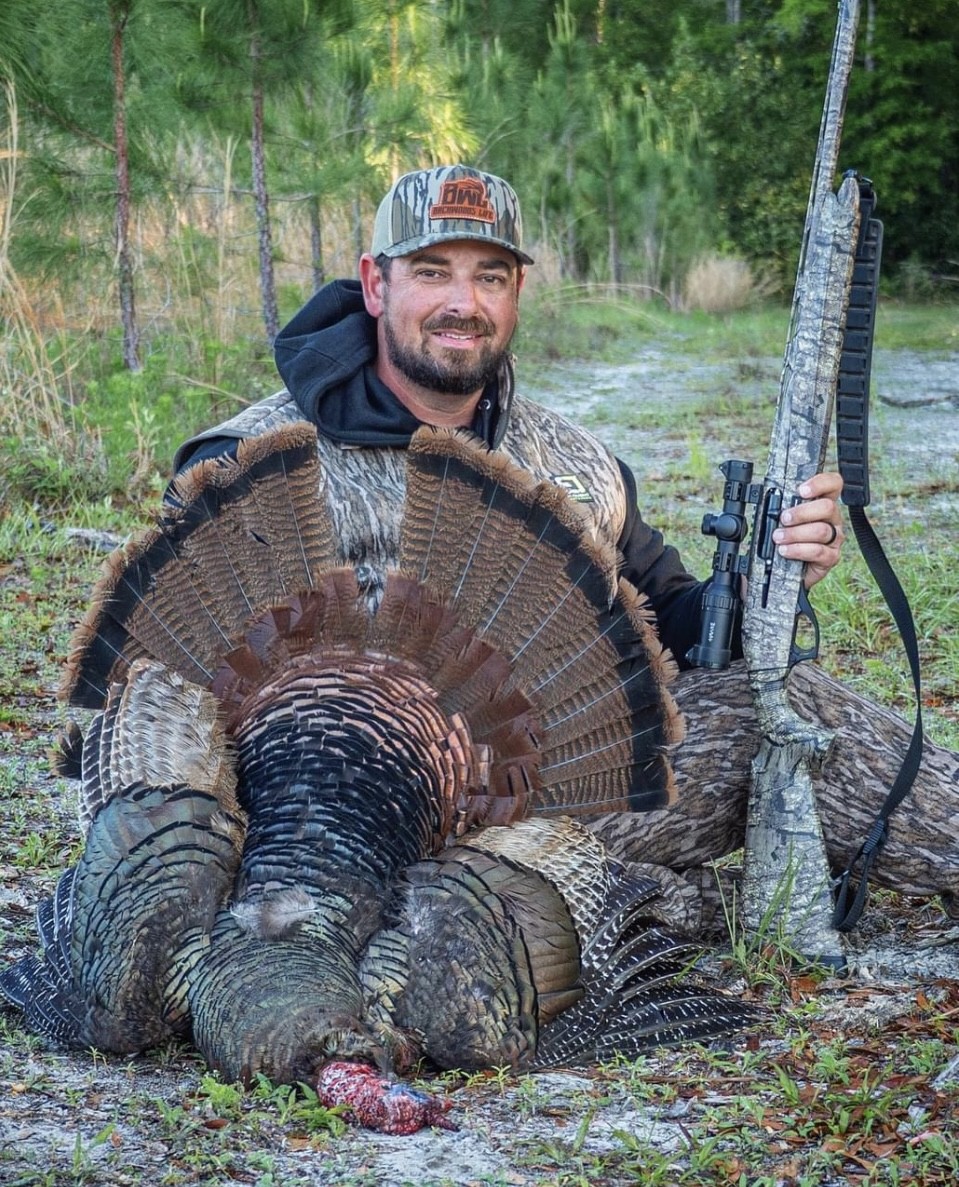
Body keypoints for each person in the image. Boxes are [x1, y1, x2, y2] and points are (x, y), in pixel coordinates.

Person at [173, 164, 959, 932]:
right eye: (432, 271)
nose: (462, 302)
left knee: (778, 700)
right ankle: (602, 904)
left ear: (517, 293)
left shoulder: (573, 462)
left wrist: (772, 581)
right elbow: (168, 710)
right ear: (376, 286)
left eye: (490, 276)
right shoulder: (247, 464)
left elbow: (677, 626)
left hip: (546, 799)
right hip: (319, 846)